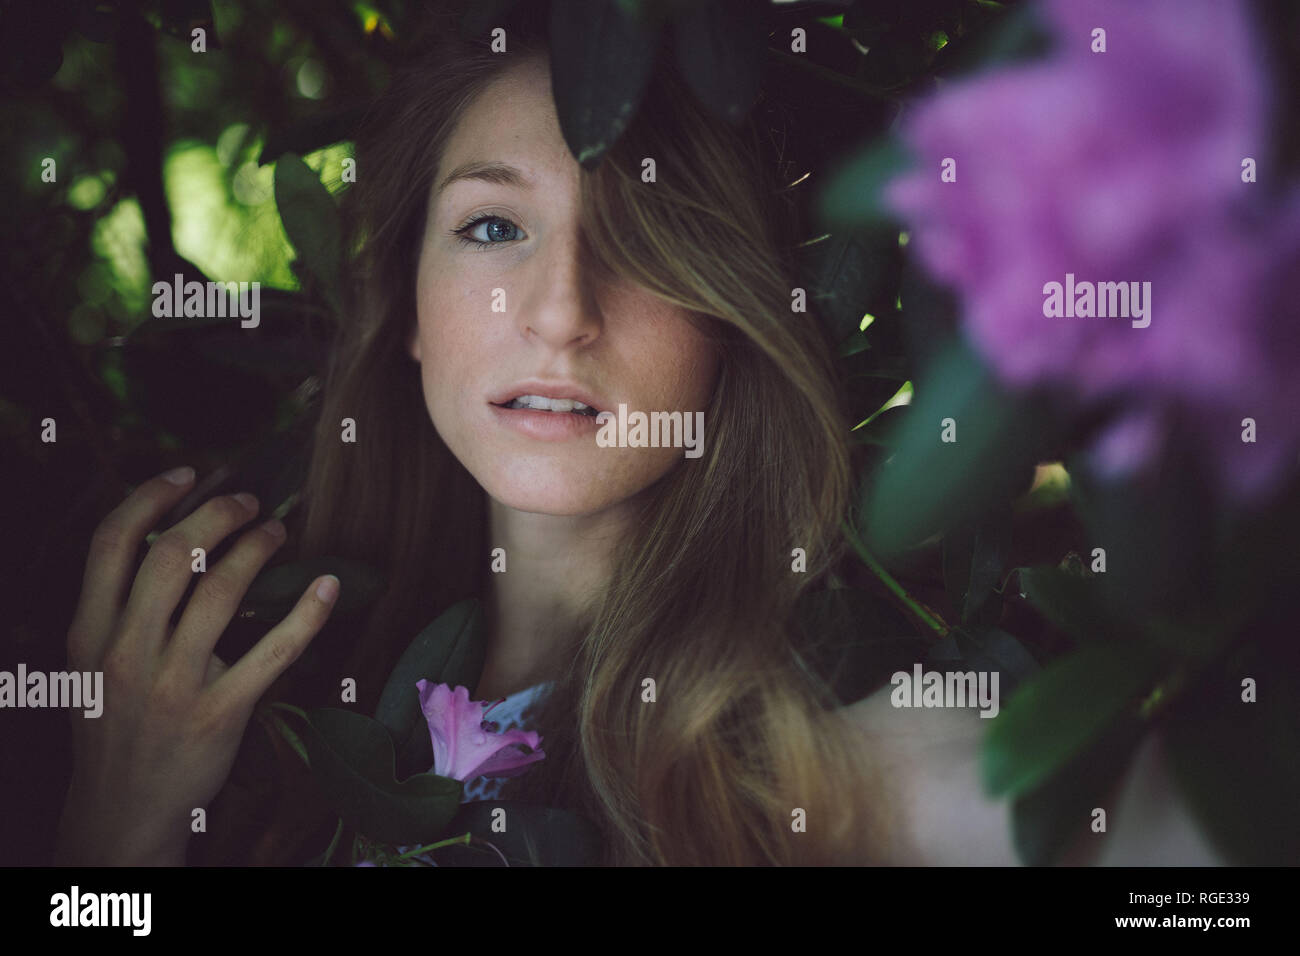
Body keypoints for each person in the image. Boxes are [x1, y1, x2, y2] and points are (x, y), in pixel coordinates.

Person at [54, 5, 1221, 868]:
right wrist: (112, 839)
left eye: (649, 234)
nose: (561, 309)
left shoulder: (848, 761)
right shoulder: (271, 739)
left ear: (731, 315)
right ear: (410, 310)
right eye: (494, 223)